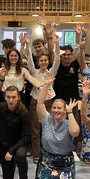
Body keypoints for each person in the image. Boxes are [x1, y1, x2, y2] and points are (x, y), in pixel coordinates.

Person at [34, 73, 80, 179]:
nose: (56, 110)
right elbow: (40, 103)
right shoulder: (46, 119)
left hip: (64, 163)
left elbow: (75, 132)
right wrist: (46, 85)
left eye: (59, 108)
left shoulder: (68, 122)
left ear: (64, 110)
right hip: (47, 161)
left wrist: (70, 112)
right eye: (54, 108)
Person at [23, 34, 60, 164]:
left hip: (49, 103)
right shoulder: (34, 72)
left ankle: (49, 151)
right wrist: (27, 45)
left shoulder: (51, 73)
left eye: (45, 60)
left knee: (49, 129)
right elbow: (29, 60)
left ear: (48, 62)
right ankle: (36, 154)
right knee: (35, 129)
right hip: (35, 102)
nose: (44, 62)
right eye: (41, 61)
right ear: (38, 62)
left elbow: (57, 61)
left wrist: (56, 44)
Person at [53, 34, 86, 161]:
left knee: (74, 125)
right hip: (59, 100)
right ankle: (58, 148)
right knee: (59, 125)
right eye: (64, 54)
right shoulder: (57, 65)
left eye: (68, 54)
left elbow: (79, 51)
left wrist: (79, 35)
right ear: (61, 55)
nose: (66, 56)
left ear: (71, 55)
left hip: (72, 100)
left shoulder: (75, 64)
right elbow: (53, 52)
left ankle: (72, 150)